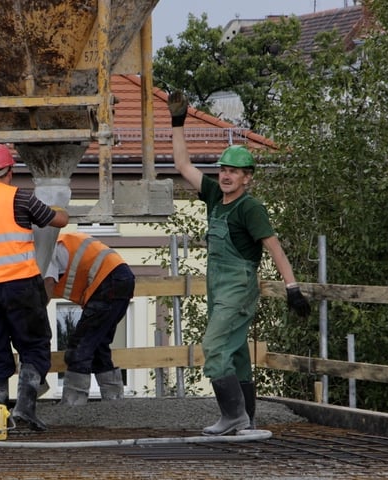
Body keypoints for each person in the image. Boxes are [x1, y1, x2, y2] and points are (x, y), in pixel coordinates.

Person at [168, 91, 311, 435]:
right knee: (235, 352)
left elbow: (274, 248)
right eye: (223, 170)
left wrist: (292, 288)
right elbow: (182, 165)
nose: (226, 176)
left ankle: (232, 416)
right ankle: (246, 419)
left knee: (214, 346)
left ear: (248, 177)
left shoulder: (250, 208)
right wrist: (177, 122)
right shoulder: (216, 196)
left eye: (234, 172)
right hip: (218, 284)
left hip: (239, 285)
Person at [0, 143, 69, 431]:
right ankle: (26, 408)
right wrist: (60, 209)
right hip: (19, 284)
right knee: (34, 344)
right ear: (10, 171)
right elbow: (57, 220)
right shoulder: (20, 198)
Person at [44, 232, 135, 406]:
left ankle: (73, 405)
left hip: (108, 281)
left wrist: (37, 310)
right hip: (121, 279)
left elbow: (48, 283)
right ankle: (114, 403)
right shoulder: (57, 242)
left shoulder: (44, 249)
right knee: (98, 345)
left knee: (80, 345)